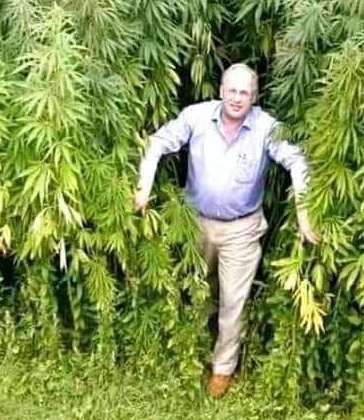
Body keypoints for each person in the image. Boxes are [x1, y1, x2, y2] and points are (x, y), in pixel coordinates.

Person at [134, 62, 319, 398]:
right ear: (220, 91)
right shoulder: (197, 116)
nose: (236, 98)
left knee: (234, 300)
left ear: (254, 97)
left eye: (244, 92)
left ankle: (222, 368)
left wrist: (303, 214)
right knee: (198, 289)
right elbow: (157, 142)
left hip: (242, 229)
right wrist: (144, 187)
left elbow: (297, 161)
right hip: (197, 224)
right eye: (231, 90)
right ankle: (192, 348)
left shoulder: (266, 127)